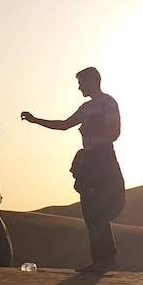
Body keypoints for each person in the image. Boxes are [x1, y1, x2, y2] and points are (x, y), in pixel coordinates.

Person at [21, 68, 126, 273]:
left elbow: (115, 132)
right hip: (89, 162)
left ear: (92, 81)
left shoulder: (108, 103)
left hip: (103, 159)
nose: (79, 87)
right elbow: (64, 125)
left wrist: (92, 129)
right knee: (90, 210)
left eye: (81, 83)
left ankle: (105, 260)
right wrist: (35, 120)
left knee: (101, 208)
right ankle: (103, 259)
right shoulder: (86, 107)